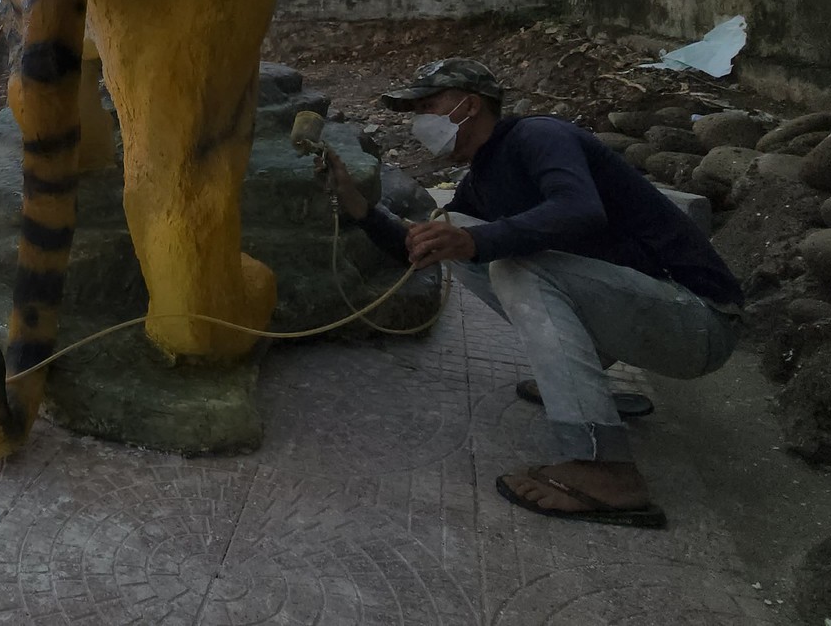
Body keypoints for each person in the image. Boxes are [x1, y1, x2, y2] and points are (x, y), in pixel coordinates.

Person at [318, 58, 742, 529]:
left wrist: (478, 242)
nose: (419, 121)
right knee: (455, 233)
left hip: (697, 318)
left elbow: (580, 210)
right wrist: (357, 203)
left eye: (428, 105)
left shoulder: (540, 137)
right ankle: (583, 382)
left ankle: (603, 468)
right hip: (649, 317)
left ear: (469, 105)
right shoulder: (483, 178)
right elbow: (419, 250)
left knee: (510, 261)